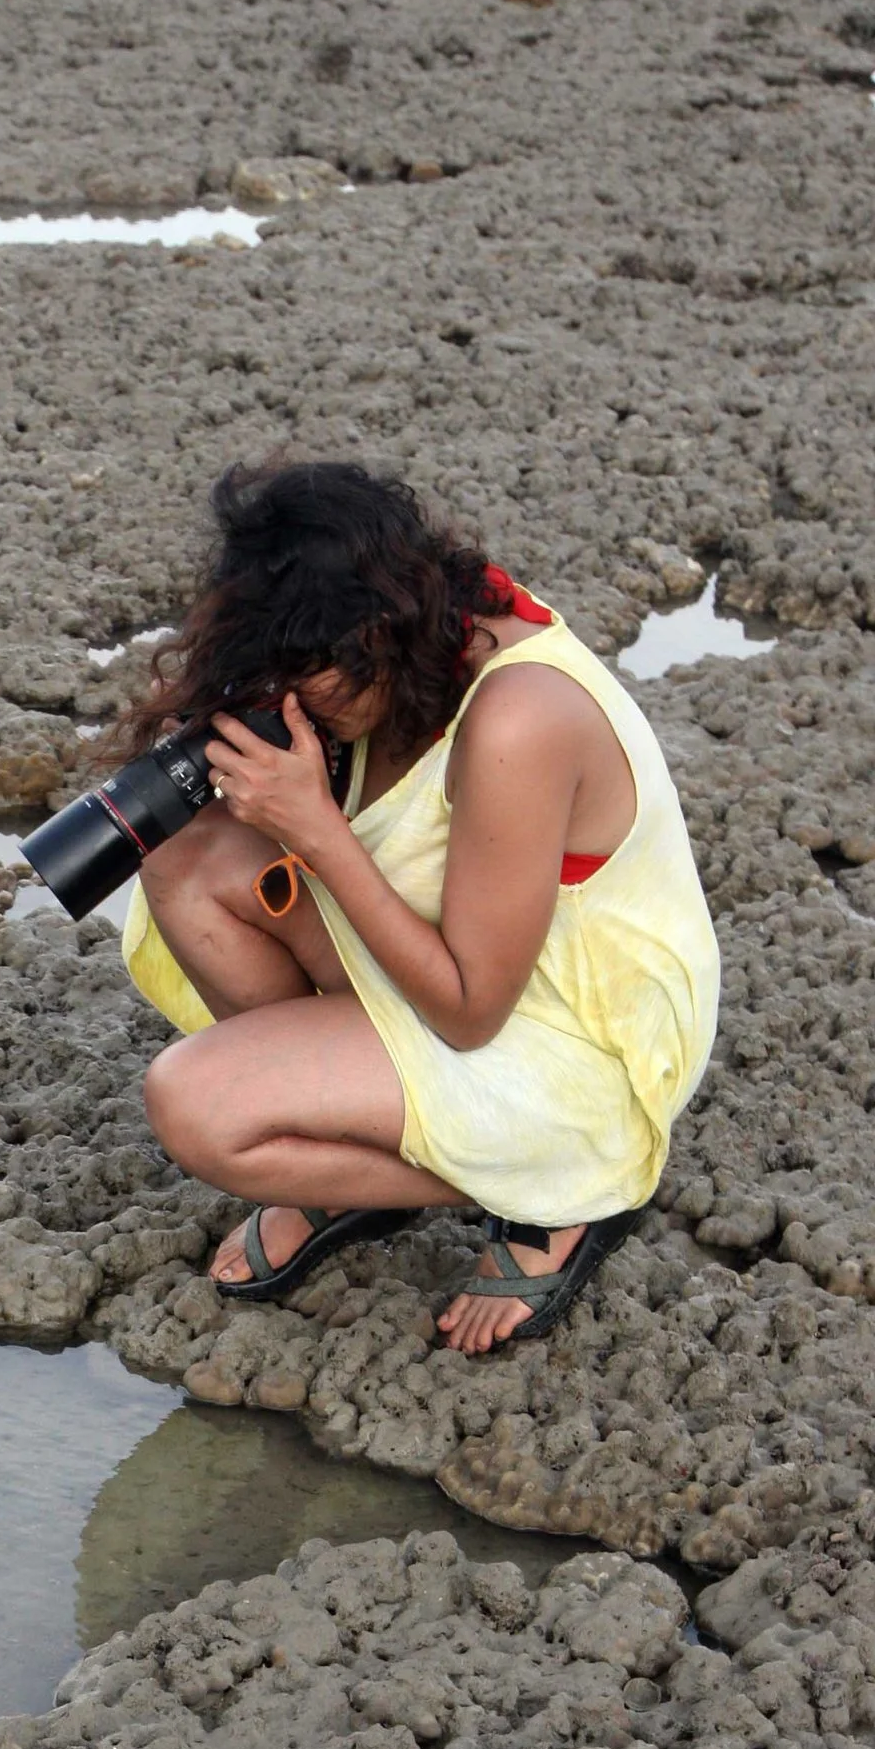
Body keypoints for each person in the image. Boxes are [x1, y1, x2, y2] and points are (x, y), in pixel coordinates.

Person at [117, 461, 720, 1351]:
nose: (289, 696)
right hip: (453, 975)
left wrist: (314, 828)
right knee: (181, 851)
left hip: (569, 1040)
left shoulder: (518, 715)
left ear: (375, 634)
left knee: (194, 1104)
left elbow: (474, 1012)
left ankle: (565, 1192)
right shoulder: (416, 647)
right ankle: (346, 1149)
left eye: (304, 672)